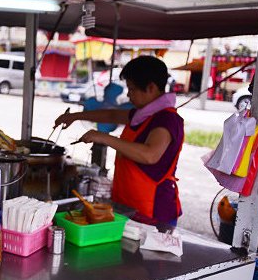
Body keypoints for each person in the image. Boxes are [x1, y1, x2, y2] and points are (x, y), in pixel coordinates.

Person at [54, 56, 184, 225]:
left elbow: (150, 155)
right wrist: (74, 116)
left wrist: (103, 137)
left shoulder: (166, 119)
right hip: (129, 203)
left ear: (151, 87)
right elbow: (112, 114)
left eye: (131, 89)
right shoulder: (143, 114)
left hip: (153, 210)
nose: (128, 95)